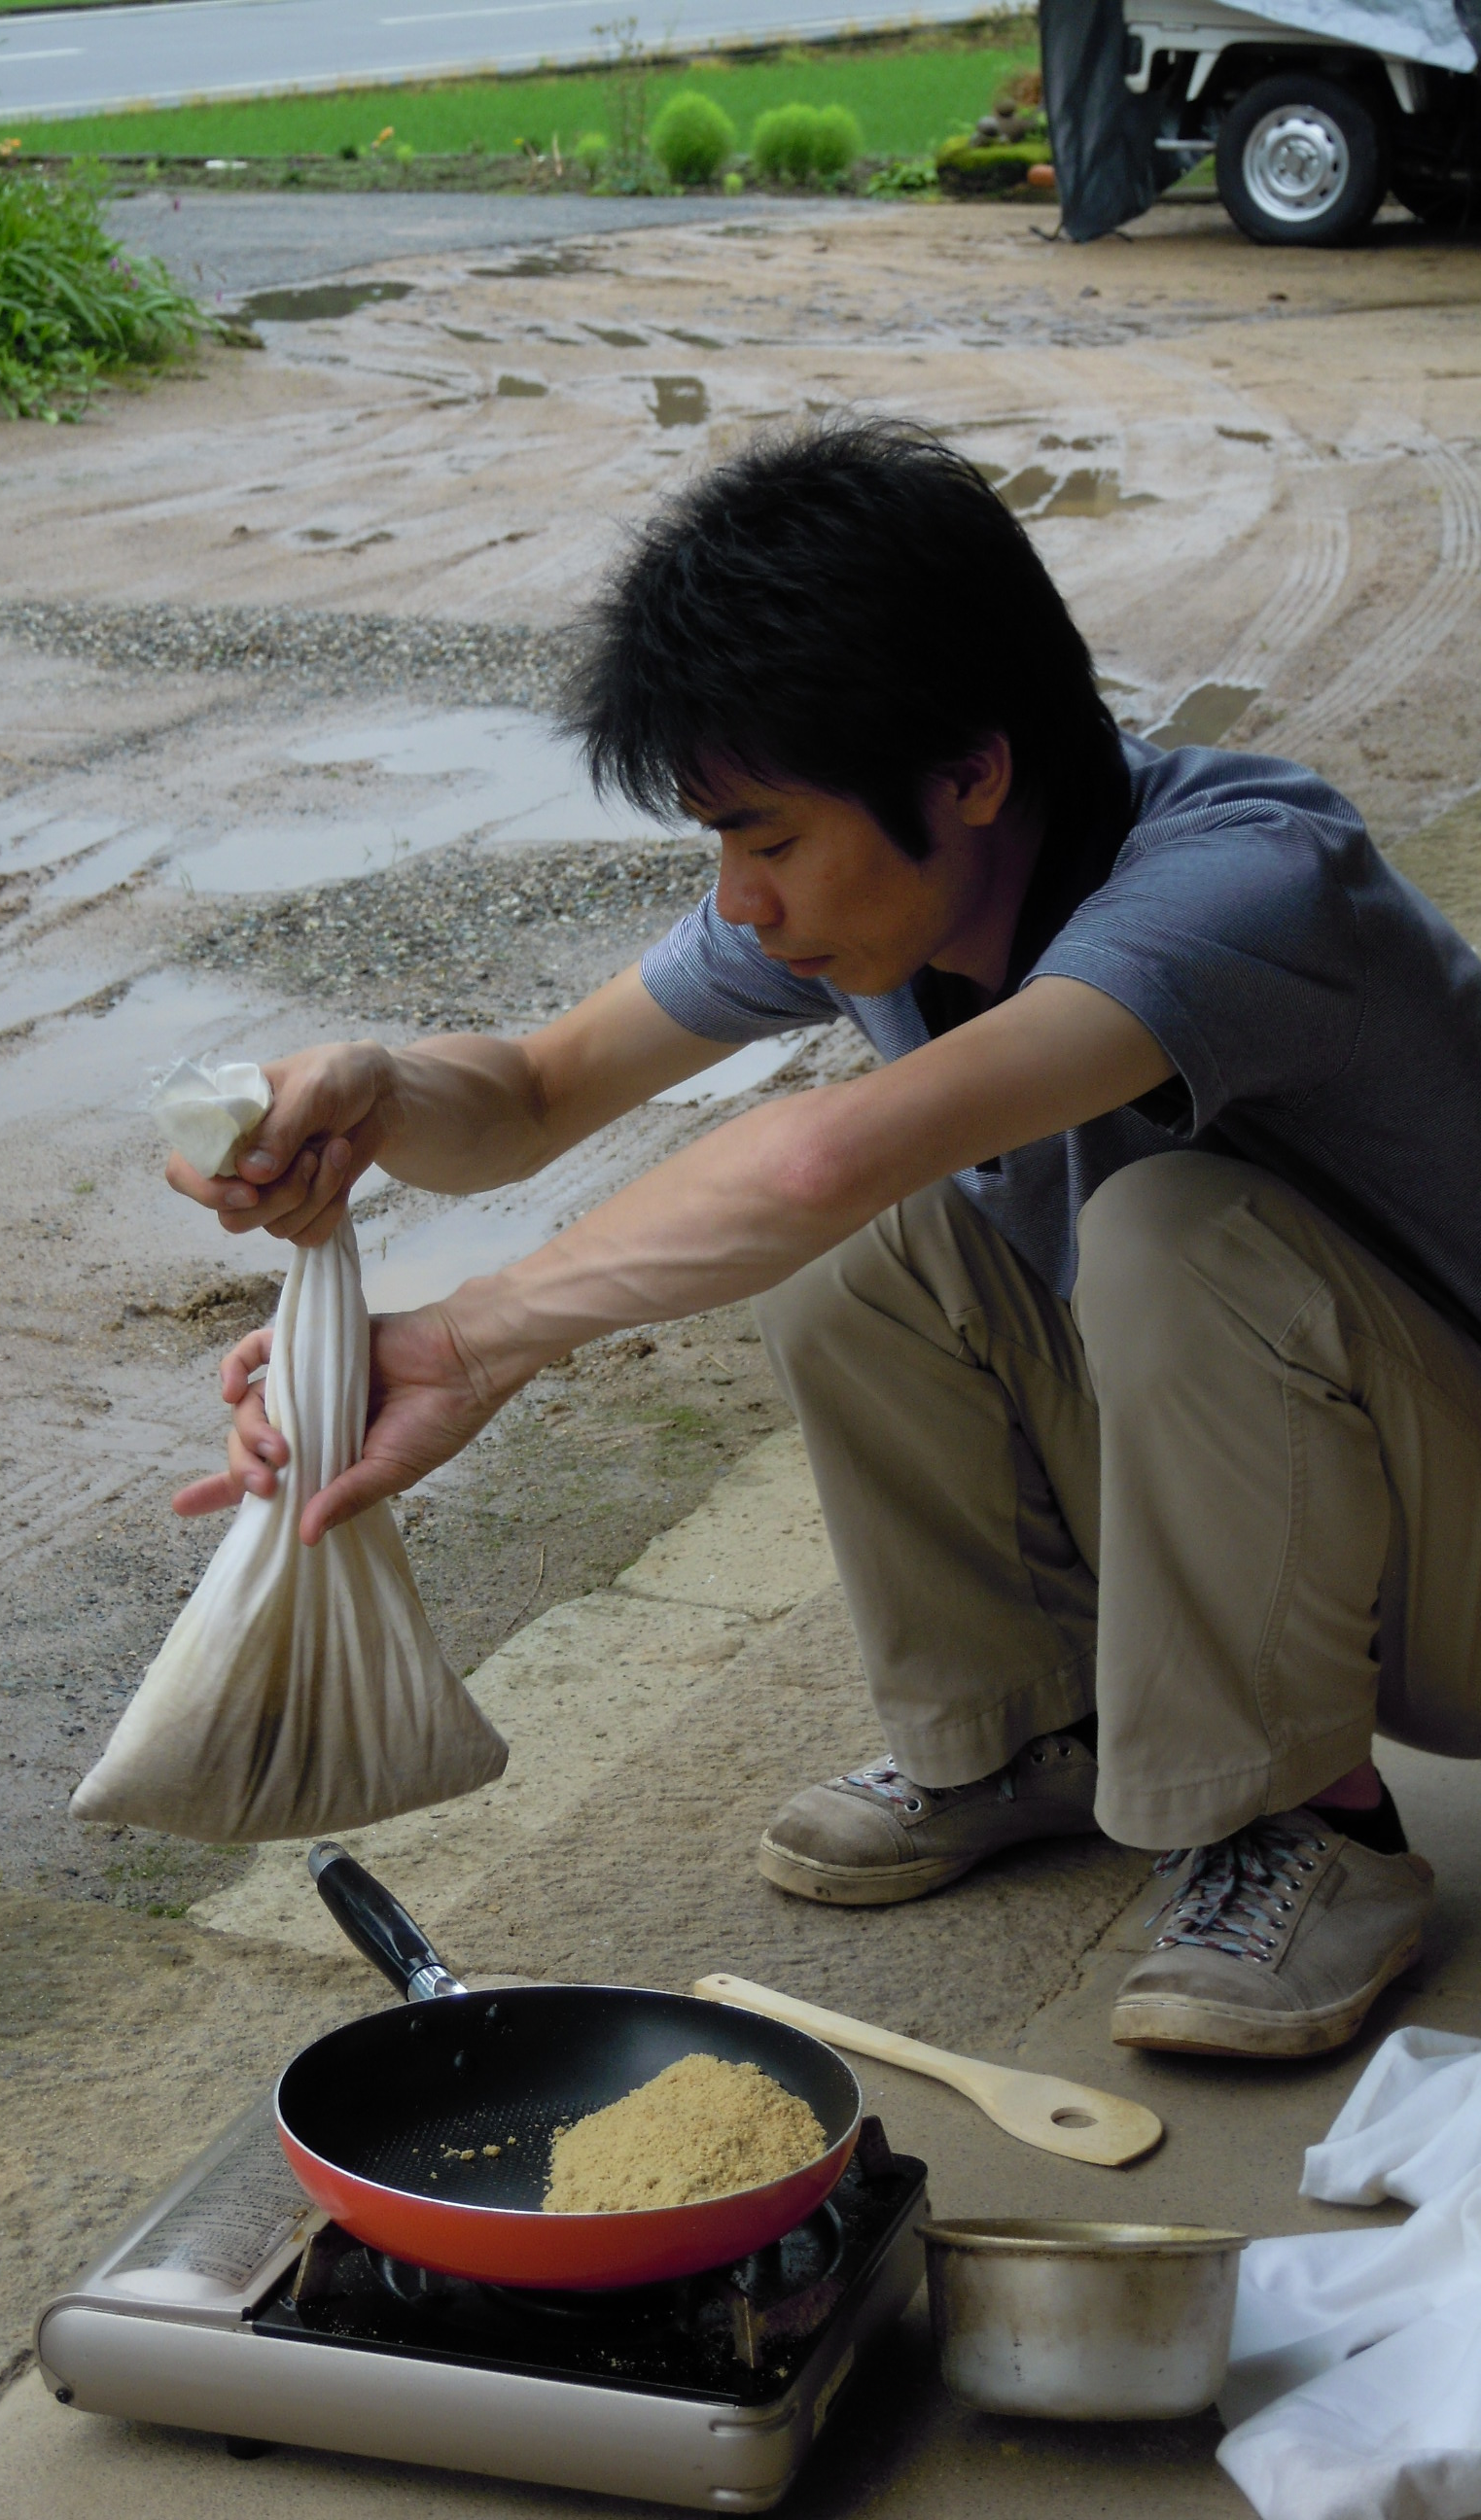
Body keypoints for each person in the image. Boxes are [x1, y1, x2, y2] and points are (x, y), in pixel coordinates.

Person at [166, 419, 1481, 2063]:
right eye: (723, 843)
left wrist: (471, 1338)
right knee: (872, 1249)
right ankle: (1033, 1727)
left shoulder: (1245, 881)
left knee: (1160, 1225)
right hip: (1335, 1505)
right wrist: (370, 1090)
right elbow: (535, 1092)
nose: (740, 901)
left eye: (770, 839)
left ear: (972, 773)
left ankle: (1309, 1823)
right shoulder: (890, 899)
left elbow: (821, 1157)